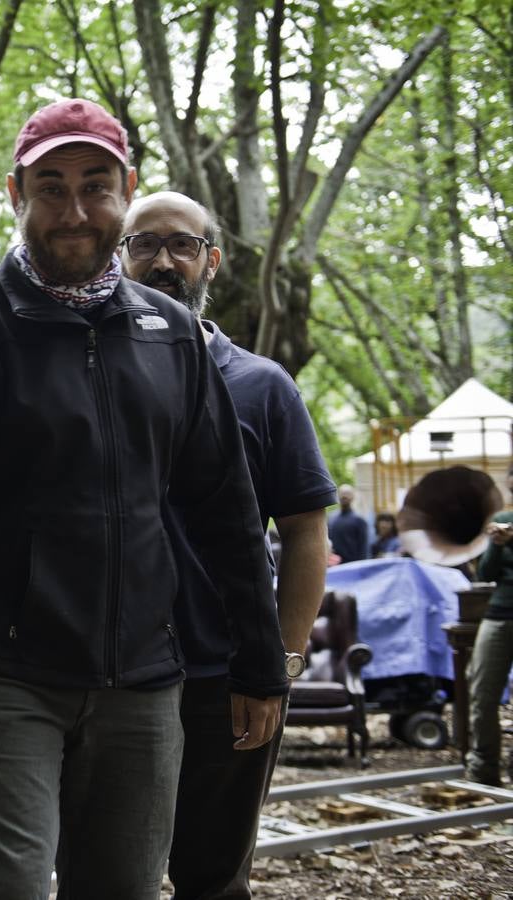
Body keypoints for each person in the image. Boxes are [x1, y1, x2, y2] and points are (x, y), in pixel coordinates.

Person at [0, 99, 287, 900]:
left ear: (126, 191)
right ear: (15, 193)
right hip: (1, 667)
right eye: (50, 187)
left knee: (125, 886)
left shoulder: (169, 334)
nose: (74, 211)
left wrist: (261, 659)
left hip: (142, 678)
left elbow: (227, 505)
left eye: (95, 186)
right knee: (11, 886)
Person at [121, 190, 336, 899]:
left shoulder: (261, 386)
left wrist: (282, 656)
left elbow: (305, 532)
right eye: (144, 243)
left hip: (226, 676)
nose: (162, 260)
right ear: (119, 260)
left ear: (211, 261)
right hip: (107, 672)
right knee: (105, 870)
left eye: (181, 245)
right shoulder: (90, 380)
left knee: (212, 878)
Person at [465, 464, 513, 786]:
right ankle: (484, 769)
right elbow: (485, 576)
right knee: (481, 692)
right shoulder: (504, 521)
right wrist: (496, 546)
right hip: (499, 614)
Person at [328, 484, 370, 563]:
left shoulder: (359, 520)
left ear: (353, 496)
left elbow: (364, 549)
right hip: (333, 566)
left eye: (347, 493)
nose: (344, 496)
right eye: (342, 493)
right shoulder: (331, 519)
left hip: (351, 565)